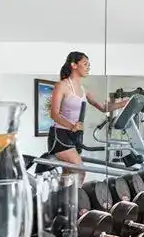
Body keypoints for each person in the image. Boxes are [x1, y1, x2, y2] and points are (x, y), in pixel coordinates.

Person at [48, 52, 128, 181]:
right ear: (74, 65)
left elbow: (104, 108)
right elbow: (54, 114)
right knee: (80, 172)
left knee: (68, 176)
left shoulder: (83, 89)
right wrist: (71, 125)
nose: (88, 67)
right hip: (61, 135)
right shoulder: (61, 86)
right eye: (85, 64)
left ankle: (61, 199)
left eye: (89, 65)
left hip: (76, 136)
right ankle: (75, 200)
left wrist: (125, 103)